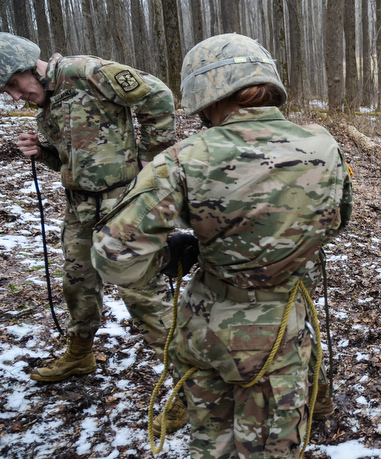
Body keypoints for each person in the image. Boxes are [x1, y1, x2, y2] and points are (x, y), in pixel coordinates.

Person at [91, 33, 353, 457]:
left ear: (205, 93)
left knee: (212, 444)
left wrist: (174, 253)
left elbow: (114, 258)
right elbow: (337, 220)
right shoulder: (323, 146)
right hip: (281, 330)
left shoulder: (184, 157)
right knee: (274, 446)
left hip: (208, 326)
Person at [0, 32, 185, 425]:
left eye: (15, 84)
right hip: (80, 207)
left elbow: (158, 96)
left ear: (28, 65)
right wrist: (44, 152)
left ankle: (191, 389)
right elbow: (76, 162)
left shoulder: (85, 71)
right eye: (7, 92)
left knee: (143, 297)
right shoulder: (47, 109)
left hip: (123, 203)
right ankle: (80, 353)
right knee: (78, 283)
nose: (16, 96)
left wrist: (153, 161)